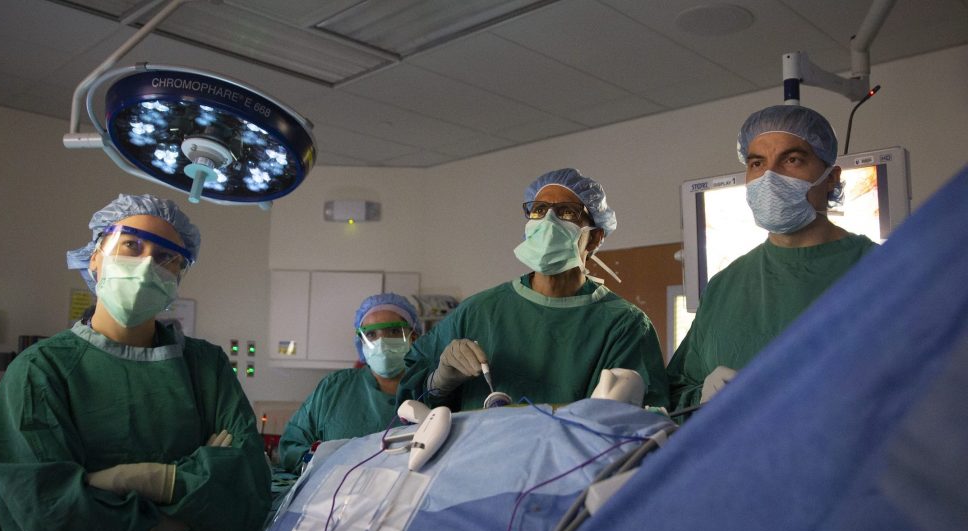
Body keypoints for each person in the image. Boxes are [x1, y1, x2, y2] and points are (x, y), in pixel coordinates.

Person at [0, 194, 271, 531]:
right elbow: (58, 528)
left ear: (179, 278)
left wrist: (132, 481)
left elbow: (246, 497)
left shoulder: (205, 367)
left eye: (168, 258)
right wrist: (192, 505)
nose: (149, 266)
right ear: (95, 256)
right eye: (132, 247)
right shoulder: (40, 371)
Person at [398, 168, 669, 411]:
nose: (548, 221)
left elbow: (640, 424)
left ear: (595, 238)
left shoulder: (624, 325)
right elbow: (409, 404)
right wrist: (439, 381)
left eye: (566, 212)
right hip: (480, 463)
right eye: (538, 210)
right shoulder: (478, 312)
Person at [667, 105, 877, 412]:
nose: (769, 178)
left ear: (831, 178)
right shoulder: (725, 285)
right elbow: (677, 391)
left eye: (792, 160)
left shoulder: (881, 270)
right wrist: (701, 399)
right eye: (757, 163)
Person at [278, 293, 422, 478]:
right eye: (371, 334)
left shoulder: (431, 388)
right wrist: (317, 463)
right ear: (361, 342)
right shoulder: (334, 389)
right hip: (337, 498)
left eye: (393, 331)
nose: (381, 342)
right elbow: (291, 445)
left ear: (414, 337)